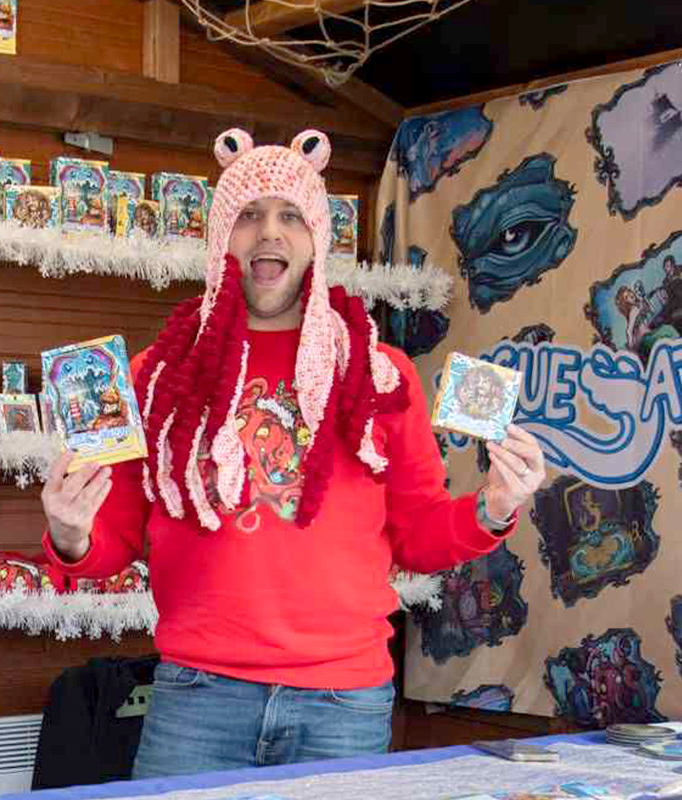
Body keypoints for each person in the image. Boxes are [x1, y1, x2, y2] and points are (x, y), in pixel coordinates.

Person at [40, 128, 546, 779]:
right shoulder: (156, 375)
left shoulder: (380, 374)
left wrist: (494, 508)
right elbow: (113, 543)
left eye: (291, 216)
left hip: (343, 704)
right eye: (248, 215)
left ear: (317, 238)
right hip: (197, 699)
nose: (269, 233)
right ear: (221, 236)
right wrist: (70, 533)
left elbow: (418, 536)